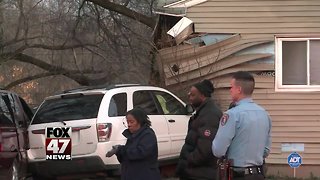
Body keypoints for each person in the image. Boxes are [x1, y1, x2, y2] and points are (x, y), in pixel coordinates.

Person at [212, 71, 272, 180]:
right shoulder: (265, 114)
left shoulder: (232, 115)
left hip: (238, 174)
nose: (230, 90)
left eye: (231, 87)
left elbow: (218, 150)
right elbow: (266, 151)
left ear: (239, 89)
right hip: (258, 173)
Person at [176, 79, 222, 180]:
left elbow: (205, 149)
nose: (189, 97)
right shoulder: (201, 113)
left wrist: (188, 161)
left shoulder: (210, 115)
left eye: (192, 95)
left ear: (202, 96)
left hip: (200, 173)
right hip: (195, 172)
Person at [105, 108, 161, 180]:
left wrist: (121, 149)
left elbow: (139, 153)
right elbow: (126, 157)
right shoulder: (132, 136)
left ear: (140, 121)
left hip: (145, 175)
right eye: (127, 122)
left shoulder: (148, 135)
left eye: (132, 122)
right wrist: (118, 152)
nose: (129, 125)